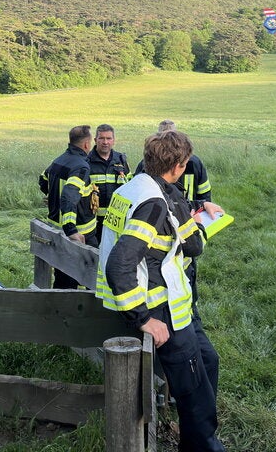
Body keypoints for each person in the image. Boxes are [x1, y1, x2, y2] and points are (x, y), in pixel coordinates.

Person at [97, 130, 225, 452]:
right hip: (161, 311)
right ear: (179, 166)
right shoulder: (152, 204)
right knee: (194, 395)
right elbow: (120, 264)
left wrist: (198, 205)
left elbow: (173, 214)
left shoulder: (137, 187)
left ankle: (198, 439)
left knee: (208, 362)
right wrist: (143, 319)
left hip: (175, 307)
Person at [39, 125, 97, 288]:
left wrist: (52, 196)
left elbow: (43, 179)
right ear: (86, 144)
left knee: (62, 277)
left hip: (56, 229)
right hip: (80, 233)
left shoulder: (58, 160)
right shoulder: (81, 166)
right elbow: (69, 196)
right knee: (88, 276)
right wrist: (71, 229)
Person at [87, 124, 130, 239]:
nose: (105, 142)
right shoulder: (86, 162)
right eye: (101, 138)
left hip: (116, 221)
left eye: (109, 138)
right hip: (94, 222)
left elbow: (129, 186)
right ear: (95, 140)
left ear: (114, 140)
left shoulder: (121, 160)